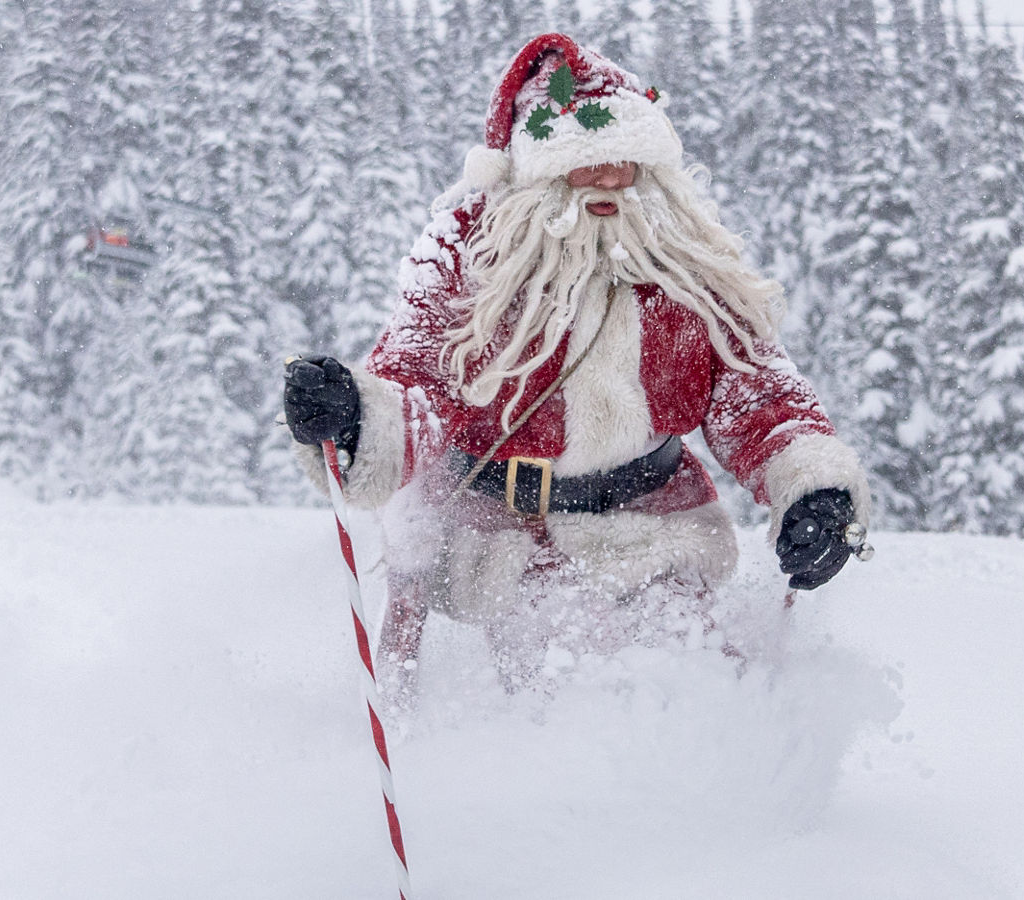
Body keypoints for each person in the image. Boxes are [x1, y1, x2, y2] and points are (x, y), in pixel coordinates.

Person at [279, 33, 869, 684]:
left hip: (656, 534)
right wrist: (358, 419)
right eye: (589, 161)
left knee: (689, 702)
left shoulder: (688, 266)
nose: (612, 179)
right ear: (541, 169)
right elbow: (414, 377)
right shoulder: (466, 257)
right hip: (493, 542)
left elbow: (760, 397)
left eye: (628, 161)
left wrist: (812, 489)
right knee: (521, 719)